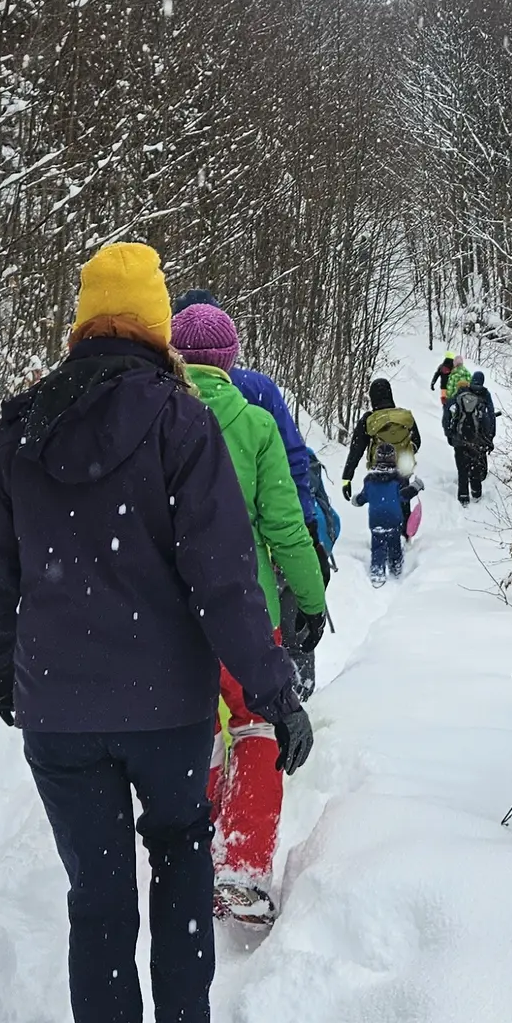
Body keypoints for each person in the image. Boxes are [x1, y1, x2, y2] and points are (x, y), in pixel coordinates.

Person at [0, 243, 313, 1023]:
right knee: (181, 858)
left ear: (83, 320)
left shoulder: (23, 426)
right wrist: (272, 691)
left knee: (100, 903)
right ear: (157, 325)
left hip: (61, 718)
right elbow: (226, 583)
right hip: (167, 709)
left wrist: (2, 672)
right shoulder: (181, 426)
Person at [169, 299, 328, 926]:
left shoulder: (160, 419)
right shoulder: (257, 427)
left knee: (198, 726)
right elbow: (287, 530)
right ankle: (241, 867)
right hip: (246, 605)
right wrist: (311, 602)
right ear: (231, 361)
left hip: (171, 612)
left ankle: (193, 857)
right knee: (257, 722)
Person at [174, 288, 334, 698]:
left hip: (176, 591)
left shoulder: (156, 403)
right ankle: (290, 697)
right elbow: (295, 463)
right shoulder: (258, 393)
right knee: (264, 672)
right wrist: (307, 528)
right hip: (253, 568)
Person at [352, 446, 422, 584]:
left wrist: (356, 500)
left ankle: (377, 573)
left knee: (377, 547)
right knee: (394, 545)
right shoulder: (398, 480)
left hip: (376, 520)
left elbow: (363, 498)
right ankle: (396, 570)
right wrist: (416, 487)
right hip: (394, 520)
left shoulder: (370, 480)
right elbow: (404, 496)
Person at [341, 377, 421, 494]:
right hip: (403, 473)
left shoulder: (369, 420)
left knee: (380, 506)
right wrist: (403, 453)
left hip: (378, 473)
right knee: (402, 502)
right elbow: (417, 441)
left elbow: (356, 450)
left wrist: (347, 478)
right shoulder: (404, 417)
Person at [447, 368, 497, 504]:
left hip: (459, 439)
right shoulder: (485, 395)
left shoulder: (462, 394)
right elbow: (490, 417)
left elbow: (449, 413)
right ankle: (476, 494)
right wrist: (490, 438)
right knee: (475, 467)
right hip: (477, 441)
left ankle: (463, 497)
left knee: (462, 469)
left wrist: (450, 435)